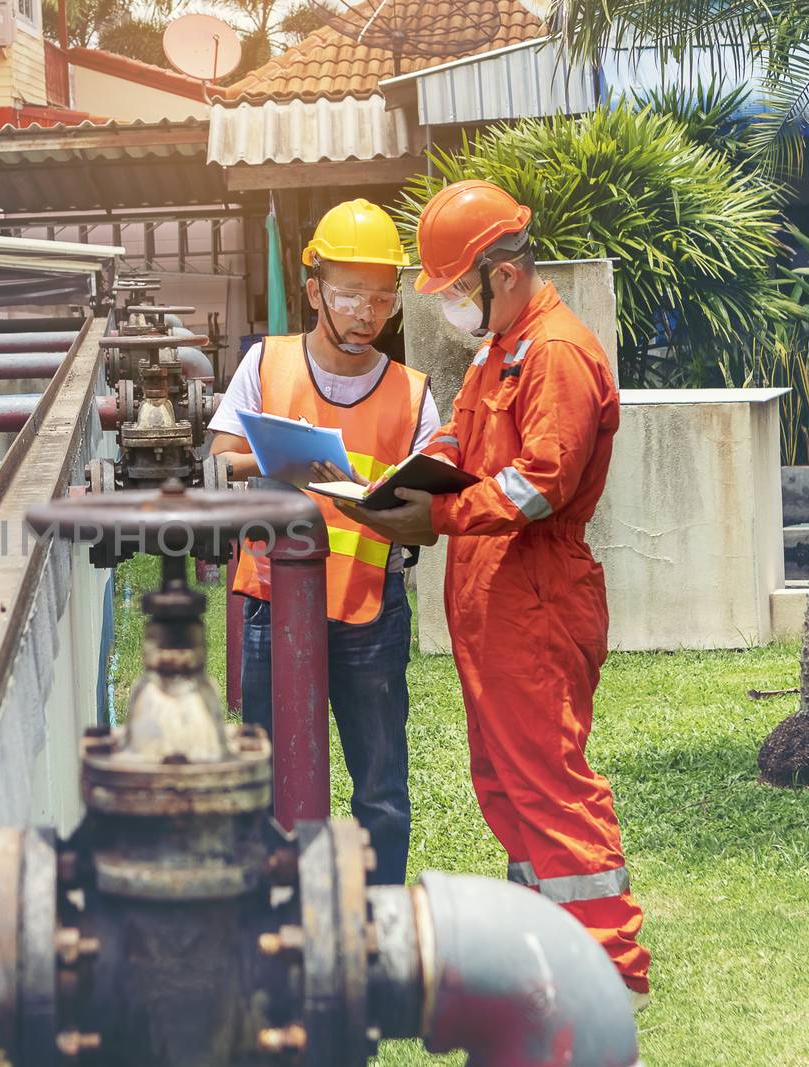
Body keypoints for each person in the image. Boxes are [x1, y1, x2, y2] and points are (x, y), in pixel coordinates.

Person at [328, 179, 651, 1005]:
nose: (448, 309)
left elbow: (541, 482)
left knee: (549, 782)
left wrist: (432, 513)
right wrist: (409, 467)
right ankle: (554, 952)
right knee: (506, 782)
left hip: (535, 598)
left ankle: (607, 974)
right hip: (496, 600)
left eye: (453, 291)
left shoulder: (555, 353)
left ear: (500, 275)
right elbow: (460, 436)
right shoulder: (502, 349)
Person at [208, 198, 440, 887]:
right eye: (349, 294)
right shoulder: (265, 366)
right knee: (271, 791)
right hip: (271, 608)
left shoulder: (413, 393)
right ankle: (278, 923)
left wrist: (394, 504)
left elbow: (431, 509)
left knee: (381, 796)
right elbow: (219, 463)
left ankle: (377, 927)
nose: (367, 312)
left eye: (381, 297)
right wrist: (284, 462)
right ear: (314, 292)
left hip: (370, 614)